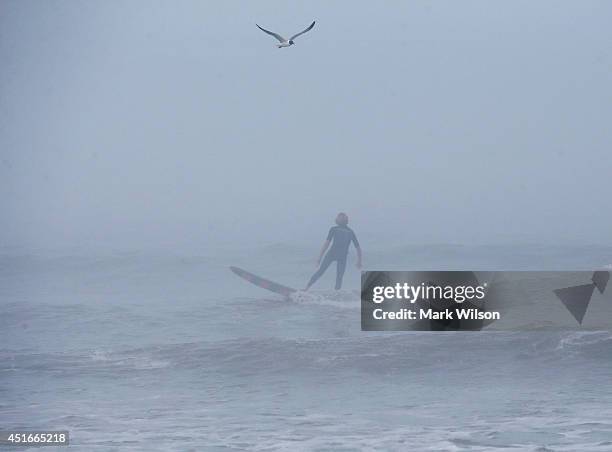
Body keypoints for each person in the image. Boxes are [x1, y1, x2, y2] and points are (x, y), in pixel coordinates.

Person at [305, 212, 362, 290]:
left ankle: (306, 288)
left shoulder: (334, 229)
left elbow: (326, 244)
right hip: (342, 256)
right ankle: (336, 293)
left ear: (338, 221)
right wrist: (359, 261)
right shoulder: (350, 232)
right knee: (339, 277)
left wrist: (319, 258)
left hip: (333, 254)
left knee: (321, 272)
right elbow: (358, 248)